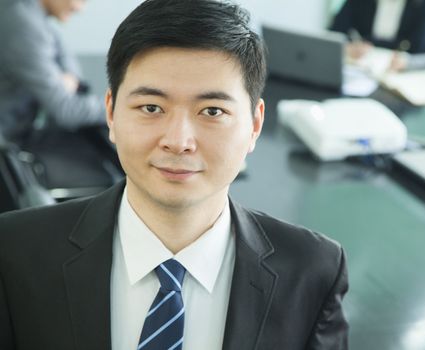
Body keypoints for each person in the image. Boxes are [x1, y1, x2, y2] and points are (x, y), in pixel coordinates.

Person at [0, 0, 349, 349]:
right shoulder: (14, 252)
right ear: (111, 113)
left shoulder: (314, 272)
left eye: (212, 111)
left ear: (255, 125)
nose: (178, 142)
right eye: (151, 108)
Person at [0, 0, 106, 143]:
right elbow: (66, 110)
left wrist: (68, 81)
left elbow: (75, 77)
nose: (80, 9)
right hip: (9, 143)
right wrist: (121, 107)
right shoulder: (23, 25)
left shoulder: (33, 16)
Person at [330, 0, 425, 58]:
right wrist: (348, 46)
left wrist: (370, 43)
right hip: (360, 64)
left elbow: (419, 45)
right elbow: (335, 31)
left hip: (403, 70)